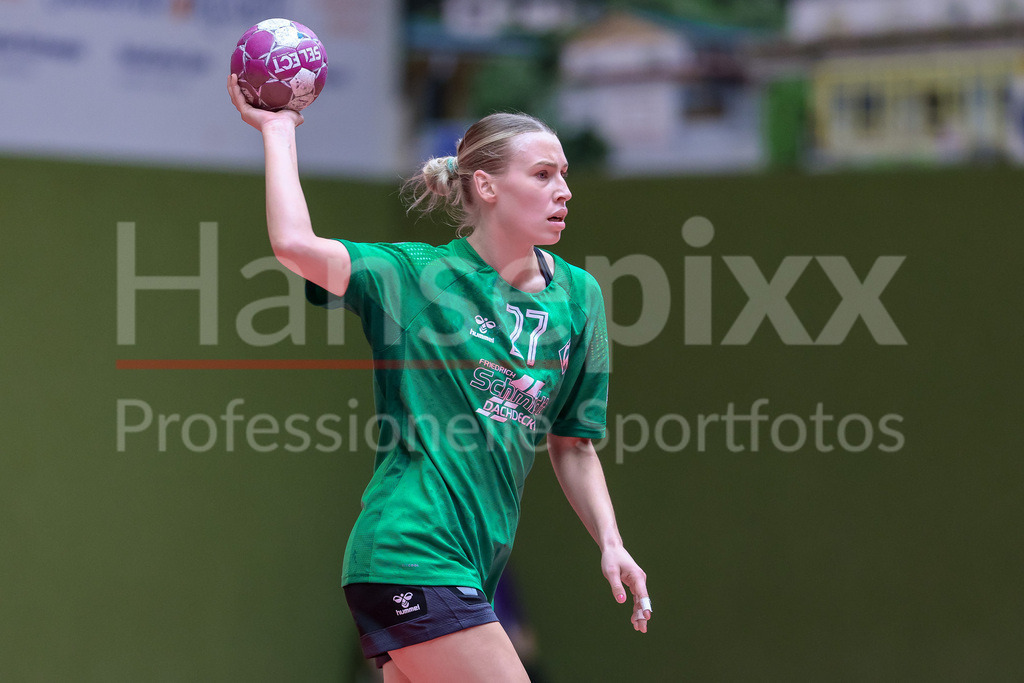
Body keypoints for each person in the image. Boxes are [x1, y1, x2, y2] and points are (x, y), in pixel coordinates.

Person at [228, 75, 652, 682]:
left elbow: (574, 443)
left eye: (564, 174)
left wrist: (610, 541)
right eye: (541, 175)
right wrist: (278, 130)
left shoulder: (579, 296)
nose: (562, 190)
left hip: (472, 567)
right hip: (411, 550)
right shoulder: (415, 278)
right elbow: (295, 243)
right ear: (485, 186)